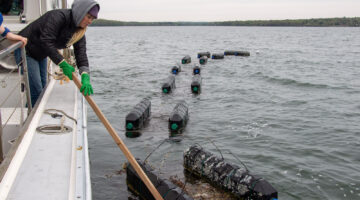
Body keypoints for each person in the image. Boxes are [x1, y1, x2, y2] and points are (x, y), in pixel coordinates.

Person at [17, 0, 99, 107]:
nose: (90, 21)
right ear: (80, 12)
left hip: (41, 54)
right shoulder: (58, 16)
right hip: (26, 50)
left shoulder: (79, 32)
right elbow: (46, 40)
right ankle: (30, 120)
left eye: (92, 19)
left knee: (42, 89)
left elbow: (81, 53)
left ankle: (31, 114)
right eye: (88, 17)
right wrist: (63, 63)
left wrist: (85, 75)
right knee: (36, 90)